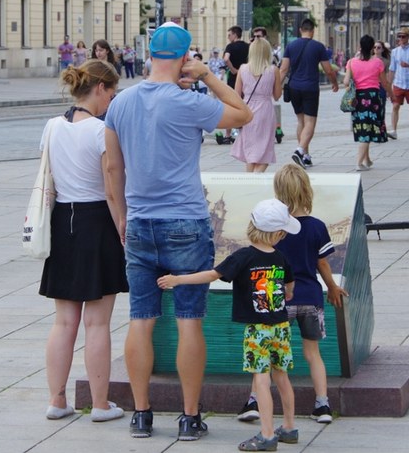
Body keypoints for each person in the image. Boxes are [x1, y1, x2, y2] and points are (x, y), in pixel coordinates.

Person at [104, 22, 252, 441]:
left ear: (149, 53)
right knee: (189, 320)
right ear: (185, 57)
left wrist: (121, 215)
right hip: (185, 221)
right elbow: (244, 114)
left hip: (138, 222)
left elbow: (112, 167)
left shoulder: (120, 103)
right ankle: (189, 417)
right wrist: (207, 76)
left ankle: (141, 414)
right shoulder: (189, 102)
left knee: (140, 318)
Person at [157, 199, 301, 451]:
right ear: (278, 234)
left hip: (257, 331)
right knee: (283, 378)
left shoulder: (243, 256)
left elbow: (213, 275)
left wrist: (178, 279)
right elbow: (289, 286)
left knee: (261, 380)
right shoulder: (280, 257)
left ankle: (267, 435)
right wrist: (286, 294)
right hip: (281, 327)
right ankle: (289, 427)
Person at [39, 59, 129, 423]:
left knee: (63, 322)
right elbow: (111, 187)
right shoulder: (100, 130)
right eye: (113, 92)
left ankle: (57, 399)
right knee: (97, 322)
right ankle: (101, 403)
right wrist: (122, 225)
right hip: (96, 222)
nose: (113, 100)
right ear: (101, 89)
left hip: (63, 220)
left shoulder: (51, 126)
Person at [236, 166, 348, 432]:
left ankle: (254, 401)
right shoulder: (317, 226)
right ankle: (322, 405)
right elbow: (322, 263)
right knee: (313, 353)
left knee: (265, 354)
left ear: (278, 192)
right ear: (306, 189)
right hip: (311, 298)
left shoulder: (273, 228)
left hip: (278, 302)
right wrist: (331, 287)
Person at [278, 18, 339, 168]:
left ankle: (305, 155)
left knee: (301, 121)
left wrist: (277, 86)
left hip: (294, 87)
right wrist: (334, 83)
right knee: (310, 122)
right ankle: (299, 151)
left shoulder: (291, 46)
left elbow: (283, 69)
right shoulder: (318, 47)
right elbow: (328, 70)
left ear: (300, 30)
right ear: (312, 31)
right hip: (310, 87)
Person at [231, 37, 282, 172]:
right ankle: (256, 177)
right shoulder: (273, 70)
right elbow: (277, 96)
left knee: (250, 150)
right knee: (265, 150)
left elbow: (236, 95)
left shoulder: (242, 69)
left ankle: (249, 181)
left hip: (247, 111)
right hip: (265, 111)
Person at [344, 35, 390, 170]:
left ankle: (367, 160)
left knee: (363, 127)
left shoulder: (351, 62)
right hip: (373, 98)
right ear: (371, 48)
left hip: (358, 98)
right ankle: (358, 163)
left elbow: (346, 82)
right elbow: (384, 82)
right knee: (367, 129)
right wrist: (391, 94)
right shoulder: (377, 63)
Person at [388, 27, 409, 140]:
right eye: (399, 36)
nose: (401, 38)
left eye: (403, 36)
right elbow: (392, 69)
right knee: (395, 106)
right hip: (398, 82)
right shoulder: (394, 52)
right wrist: (389, 86)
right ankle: (394, 130)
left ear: (408, 37)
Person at [221, 25, 250, 144]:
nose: (228, 37)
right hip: (246, 77)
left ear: (235, 35)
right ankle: (245, 132)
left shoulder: (230, 46)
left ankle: (228, 135)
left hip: (233, 78)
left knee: (230, 105)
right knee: (244, 103)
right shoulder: (248, 46)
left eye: (229, 35)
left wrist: (233, 69)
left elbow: (226, 59)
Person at [374, 41, 391, 125]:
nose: (376, 49)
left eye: (378, 47)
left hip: (381, 86)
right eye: (374, 47)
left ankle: (381, 126)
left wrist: (388, 90)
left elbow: (387, 75)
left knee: (381, 107)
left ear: (382, 49)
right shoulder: (369, 59)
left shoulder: (386, 61)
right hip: (372, 86)